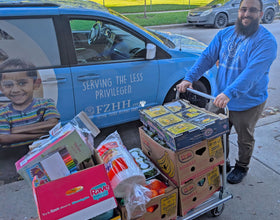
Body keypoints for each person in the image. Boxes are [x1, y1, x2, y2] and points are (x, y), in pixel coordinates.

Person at [176, 0, 277, 184]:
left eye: (253, 10)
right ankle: (223, 162)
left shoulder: (266, 42)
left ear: (261, 14)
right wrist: (189, 78)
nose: (247, 14)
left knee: (244, 138)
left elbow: (252, 73)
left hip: (248, 102)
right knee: (216, 134)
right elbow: (207, 57)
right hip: (220, 98)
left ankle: (242, 166)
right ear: (238, 11)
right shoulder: (225, 34)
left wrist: (230, 92)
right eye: (243, 9)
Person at [0, 58, 60, 148]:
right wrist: (39, 135)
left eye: (22, 83)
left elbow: (53, 124)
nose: (15, 90)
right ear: (1, 88)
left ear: (36, 84)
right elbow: (3, 138)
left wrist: (13, 131)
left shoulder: (46, 104)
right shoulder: (3, 112)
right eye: (8, 85)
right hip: (14, 157)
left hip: (44, 153)